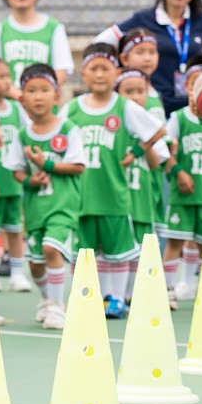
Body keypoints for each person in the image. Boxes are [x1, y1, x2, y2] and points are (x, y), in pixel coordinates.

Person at [61, 43, 167, 319]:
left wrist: (134, 152)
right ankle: (86, 296)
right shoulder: (72, 109)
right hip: (81, 196)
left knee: (118, 253)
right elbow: (54, 135)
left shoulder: (124, 107)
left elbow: (158, 130)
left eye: (105, 69)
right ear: (83, 73)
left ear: (115, 72)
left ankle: (117, 299)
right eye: (93, 69)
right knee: (83, 254)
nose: (99, 75)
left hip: (113, 195)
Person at [2, 64, 85, 329]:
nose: (38, 96)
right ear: (22, 98)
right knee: (36, 264)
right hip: (36, 208)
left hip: (63, 207)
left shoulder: (69, 129)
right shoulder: (22, 135)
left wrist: (46, 165)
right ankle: (47, 297)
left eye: (44, 90)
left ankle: (57, 306)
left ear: (56, 95)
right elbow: (16, 171)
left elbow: (78, 166)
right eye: (31, 91)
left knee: (52, 249)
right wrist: (30, 179)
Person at [161, 60, 202, 303]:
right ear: (186, 86)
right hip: (182, 194)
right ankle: (167, 290)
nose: (198, 88)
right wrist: (178, 172)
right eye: (194, 83)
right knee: (175, 241)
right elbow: (166, 152)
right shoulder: (178, 118)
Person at [114, 68, 164, 298]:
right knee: (121, 248)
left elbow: (154, 164)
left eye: (140, 91)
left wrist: (141, 146)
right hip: (121, 198)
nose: (135, 96)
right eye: (128, 91)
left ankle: (133, 294)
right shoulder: (115, 125)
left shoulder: (150, 127)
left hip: (143, 196)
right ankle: (116, 294)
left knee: (142, 249)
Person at [0, 59, 31, 292]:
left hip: (13, 182)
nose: (6, 82)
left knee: (15, 229)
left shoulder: (16, 109)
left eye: (8, 76)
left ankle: (17, 272)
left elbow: (29, 133)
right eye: (0, 76)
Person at [0, 0, 73, 91]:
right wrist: (17, 97)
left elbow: (61, 72)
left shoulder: (54, 28)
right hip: (10, 107)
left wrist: (37, 97)